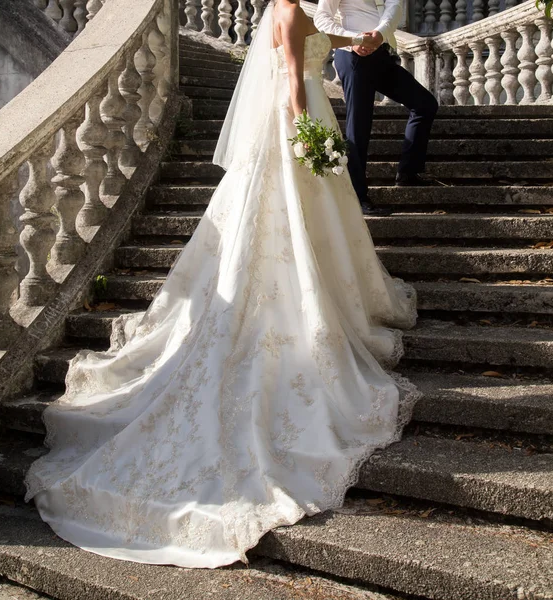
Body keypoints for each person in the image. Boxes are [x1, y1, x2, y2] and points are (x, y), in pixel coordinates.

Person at [25, 0, 419, 569]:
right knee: (282, 223)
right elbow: (290, 78)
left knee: (314, 222)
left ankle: (333, 290)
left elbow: (333, 44)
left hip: (306, 117)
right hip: (295, 120)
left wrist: (367, 39)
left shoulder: (310, 14)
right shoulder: (288, 13)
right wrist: (306, 130)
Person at [315, 0, 439, 214]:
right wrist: (351, 40)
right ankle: (358, 197)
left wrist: (380, 33)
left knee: (425, 104)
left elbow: (395, 5)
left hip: (380, 52)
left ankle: (408, 173)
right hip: (352, 54)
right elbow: (322, 17)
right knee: (359, 127)